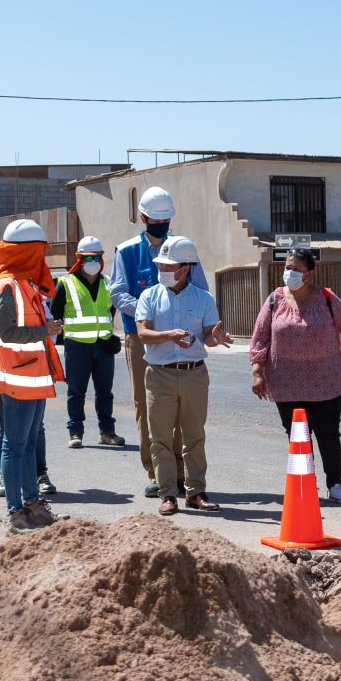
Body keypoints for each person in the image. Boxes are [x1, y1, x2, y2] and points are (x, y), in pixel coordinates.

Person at [110, 187, 208, 498]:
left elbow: (201, 288)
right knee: (148, 404)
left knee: (181, 406)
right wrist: (146, 311)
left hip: (182, 337)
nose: (161, 226)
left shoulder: (183, 249)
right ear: (142, 218)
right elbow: (117, 291)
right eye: (156, 220)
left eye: (166, 220)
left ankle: (179, 473)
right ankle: (156, 471)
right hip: (143, 336)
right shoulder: (126, 251)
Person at [249, 248, 341, 504]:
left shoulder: (328, 299)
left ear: (309, 274)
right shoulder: (275, 299)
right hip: (285, 381)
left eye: (296, 269)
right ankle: (303, 485)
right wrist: (257, 372)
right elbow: (260, 336)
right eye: (288, 267)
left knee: (328, 434)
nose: (289, 273)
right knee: (297, 435)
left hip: (326, 380)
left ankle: (335, 484)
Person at [135, 236, 230, 515]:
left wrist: (216, 337)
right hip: (159, 375)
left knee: (194, 435)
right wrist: (169, 336)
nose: (162, 270)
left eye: (168, 266)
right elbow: (143, 334)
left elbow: (208, 338)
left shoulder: (203, 298)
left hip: (194, 374)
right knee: (160, 437)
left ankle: (196, 492)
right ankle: (167, 494)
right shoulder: (149, 296)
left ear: (185, 269)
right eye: (161, 265)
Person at [0, 219, 65, 533]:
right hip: (16, 379)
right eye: (40, 252)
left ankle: (32, 503)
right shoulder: (7, 285)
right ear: (28, 253)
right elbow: (4, 332)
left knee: (28, 445)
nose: (43, 258)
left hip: (31, 377)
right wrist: (44, 330)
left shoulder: (23, 283)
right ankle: (16, 511)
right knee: (15, 446)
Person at [53, 235, 124, 449]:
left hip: (103, 346)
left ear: (101, 259)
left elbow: (109, 313)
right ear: (79, 259)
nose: (92, 262)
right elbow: (56, 314)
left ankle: (107, 432)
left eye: (96, 257)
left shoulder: (109, 283)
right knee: (76, 391)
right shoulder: (66, 283)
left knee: (105, 392)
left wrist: (108, 335)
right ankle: (76, 433)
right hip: (77, 346)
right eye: (88, 258)